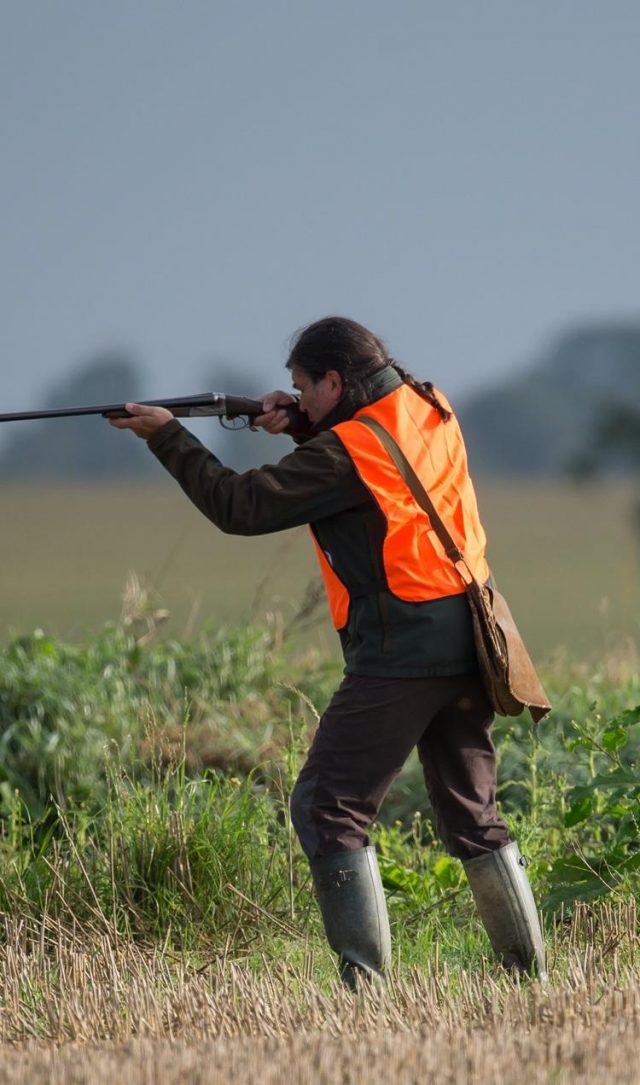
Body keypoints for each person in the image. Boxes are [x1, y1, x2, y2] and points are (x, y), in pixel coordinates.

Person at [109, 316, 546, 986]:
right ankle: (527, 976)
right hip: (473, 636)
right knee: (471, 812)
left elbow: (239, 505)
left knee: (326, 804)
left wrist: (166, 435)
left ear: (336, 381)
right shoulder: (430, 404)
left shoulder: (342, 453)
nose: (296, 398)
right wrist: (308, 423)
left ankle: (363, 987)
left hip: (403, 649)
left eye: (303, 387)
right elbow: (388, 468)